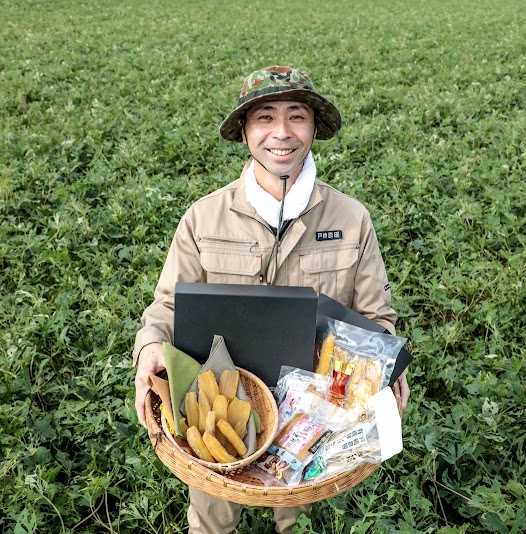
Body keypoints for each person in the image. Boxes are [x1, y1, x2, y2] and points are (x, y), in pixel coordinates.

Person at [132, 65, 410, 534]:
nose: (282, 133)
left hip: (316, 413)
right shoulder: (204, 217)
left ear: (314, 129)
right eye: (265, 117)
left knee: (300, 517)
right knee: (211, 514)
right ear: (244, 131)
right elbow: (166, 307)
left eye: (297, 116)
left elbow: (375, 316)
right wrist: (148, 348)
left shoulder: (350, 218)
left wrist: (387, 363)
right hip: (218, 400)